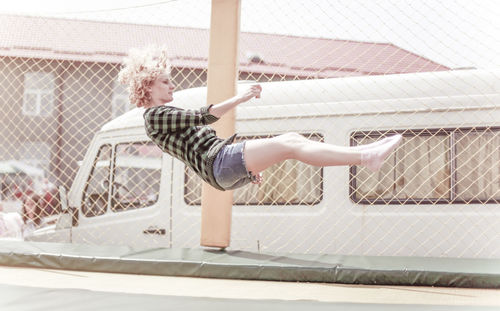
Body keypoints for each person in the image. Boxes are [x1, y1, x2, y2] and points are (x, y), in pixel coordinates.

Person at [118, 47, 402, 191]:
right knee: (291, 143)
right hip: (219, 162)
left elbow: (201, 149)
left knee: (292, 142)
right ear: (149, 86)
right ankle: (366, 156)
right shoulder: (155, 116)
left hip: (220, 167)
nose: (172, 86)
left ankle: (365, 155)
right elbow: (205, 116)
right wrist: (241, 97)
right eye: (166, 82)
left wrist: (245, 174)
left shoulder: (162, 116)